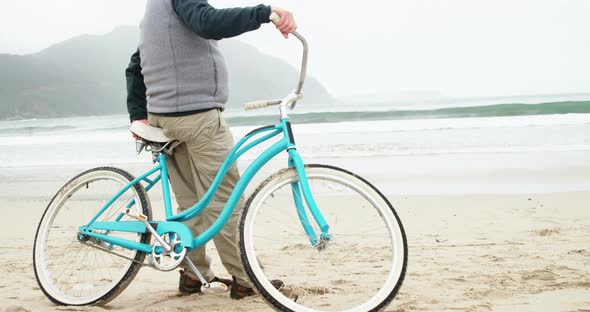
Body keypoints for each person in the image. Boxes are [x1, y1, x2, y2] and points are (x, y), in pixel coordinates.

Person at [125, 0, 296, 299]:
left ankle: (193, 273)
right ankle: (246, 279)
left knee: (191, 202)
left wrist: (138, 114)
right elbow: (208, 22)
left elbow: (136, 64)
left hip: (165, 117)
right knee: (227, 199)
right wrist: (264, 13)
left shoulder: (154, 11)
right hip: (197, 117)